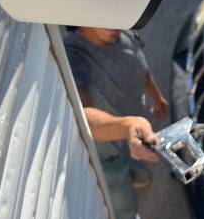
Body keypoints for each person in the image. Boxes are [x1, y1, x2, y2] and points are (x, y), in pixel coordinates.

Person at [64, 27, 170, 219]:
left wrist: (157, 97)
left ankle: (131, 168)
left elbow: (140, 64)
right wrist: (128, 126)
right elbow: (84, 116)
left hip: (130, 135)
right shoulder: (72, 54)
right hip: (108, 155)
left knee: (131, 154)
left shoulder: (122, 28)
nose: (115, 25)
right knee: (124, 209)